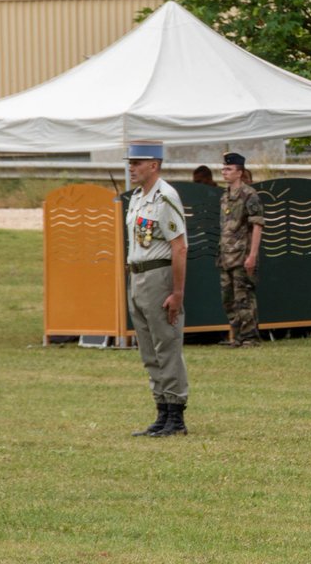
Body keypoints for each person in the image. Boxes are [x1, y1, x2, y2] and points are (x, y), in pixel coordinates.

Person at [124, 141, 190, 438]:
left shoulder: (165, 197)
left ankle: (176, 414)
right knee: (149, 349)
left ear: (154, 165)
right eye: (130, 163)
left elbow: (180, 247)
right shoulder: (138, 198)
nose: (131, 168)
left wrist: (177, 292)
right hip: (138, 276)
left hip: (158, 277)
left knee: (167, 345)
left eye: (137, 163)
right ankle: (162, 410)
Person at [218, 151, 264, 348]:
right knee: (228, 299)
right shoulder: (225, 196)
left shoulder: (249, 195)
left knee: (243, 297)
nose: (224, 172)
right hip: (226, 256)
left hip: (242, 255)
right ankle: (237, 337)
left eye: (228, 169)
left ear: (239, 172)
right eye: (223, 169)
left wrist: (252, 255)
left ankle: (250, 337)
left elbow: (257, 225)